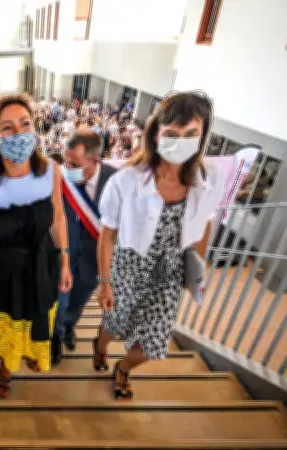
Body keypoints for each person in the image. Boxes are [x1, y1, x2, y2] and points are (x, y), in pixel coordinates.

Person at [93, 91, 225, 400]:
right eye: (172, 134)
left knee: (153, 342)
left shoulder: (210, 177)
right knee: (116, 323)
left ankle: (123, 368)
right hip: (129, 264)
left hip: (170, 269)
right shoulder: (126, 180)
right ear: (155, 134)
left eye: (191, 134)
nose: (181, 141)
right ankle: (100, 346)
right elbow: (107, 235)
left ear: (202, 135)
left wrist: (197, 268)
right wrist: (105, 282)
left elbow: (205, 222)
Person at [0, 93, 73, 399]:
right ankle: (5, 365)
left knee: (38, 315)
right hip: (4, 273)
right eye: (7, 127)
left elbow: (58, 218)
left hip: (42, 265)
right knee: (9, 324)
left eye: (25, 124)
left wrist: (64, 260)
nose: (19, 133)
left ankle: (31, 351)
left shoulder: (50, 170)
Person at [52, 131, 117, 365]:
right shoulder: (57, 177)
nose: (67, 168)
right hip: (62, 255)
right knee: (59, 302)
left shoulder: (115, 180)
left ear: (95, 159)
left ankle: (68, 328)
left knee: (78, 302)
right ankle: (55, 338)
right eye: (65, 161)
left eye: (74, 164)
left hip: (93, 259)